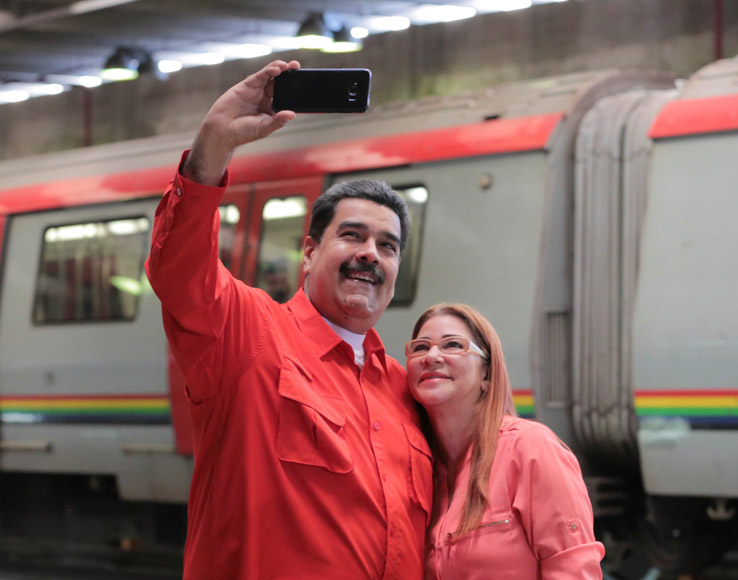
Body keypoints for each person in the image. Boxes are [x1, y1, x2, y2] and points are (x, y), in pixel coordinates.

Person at [145, 60, 432, 580]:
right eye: (352, 236)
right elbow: (180, 271)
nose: (370, 254)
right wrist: (213, 148)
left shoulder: (402, 387)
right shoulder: (248, 334)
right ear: (308, 254)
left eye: (387, 246)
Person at [405, 303, 605, 579]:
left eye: (452, 345)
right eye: (420, 347)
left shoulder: (530, 447)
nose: (431, 356)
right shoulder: (415, 468)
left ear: (486, 373)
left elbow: (573, 569)